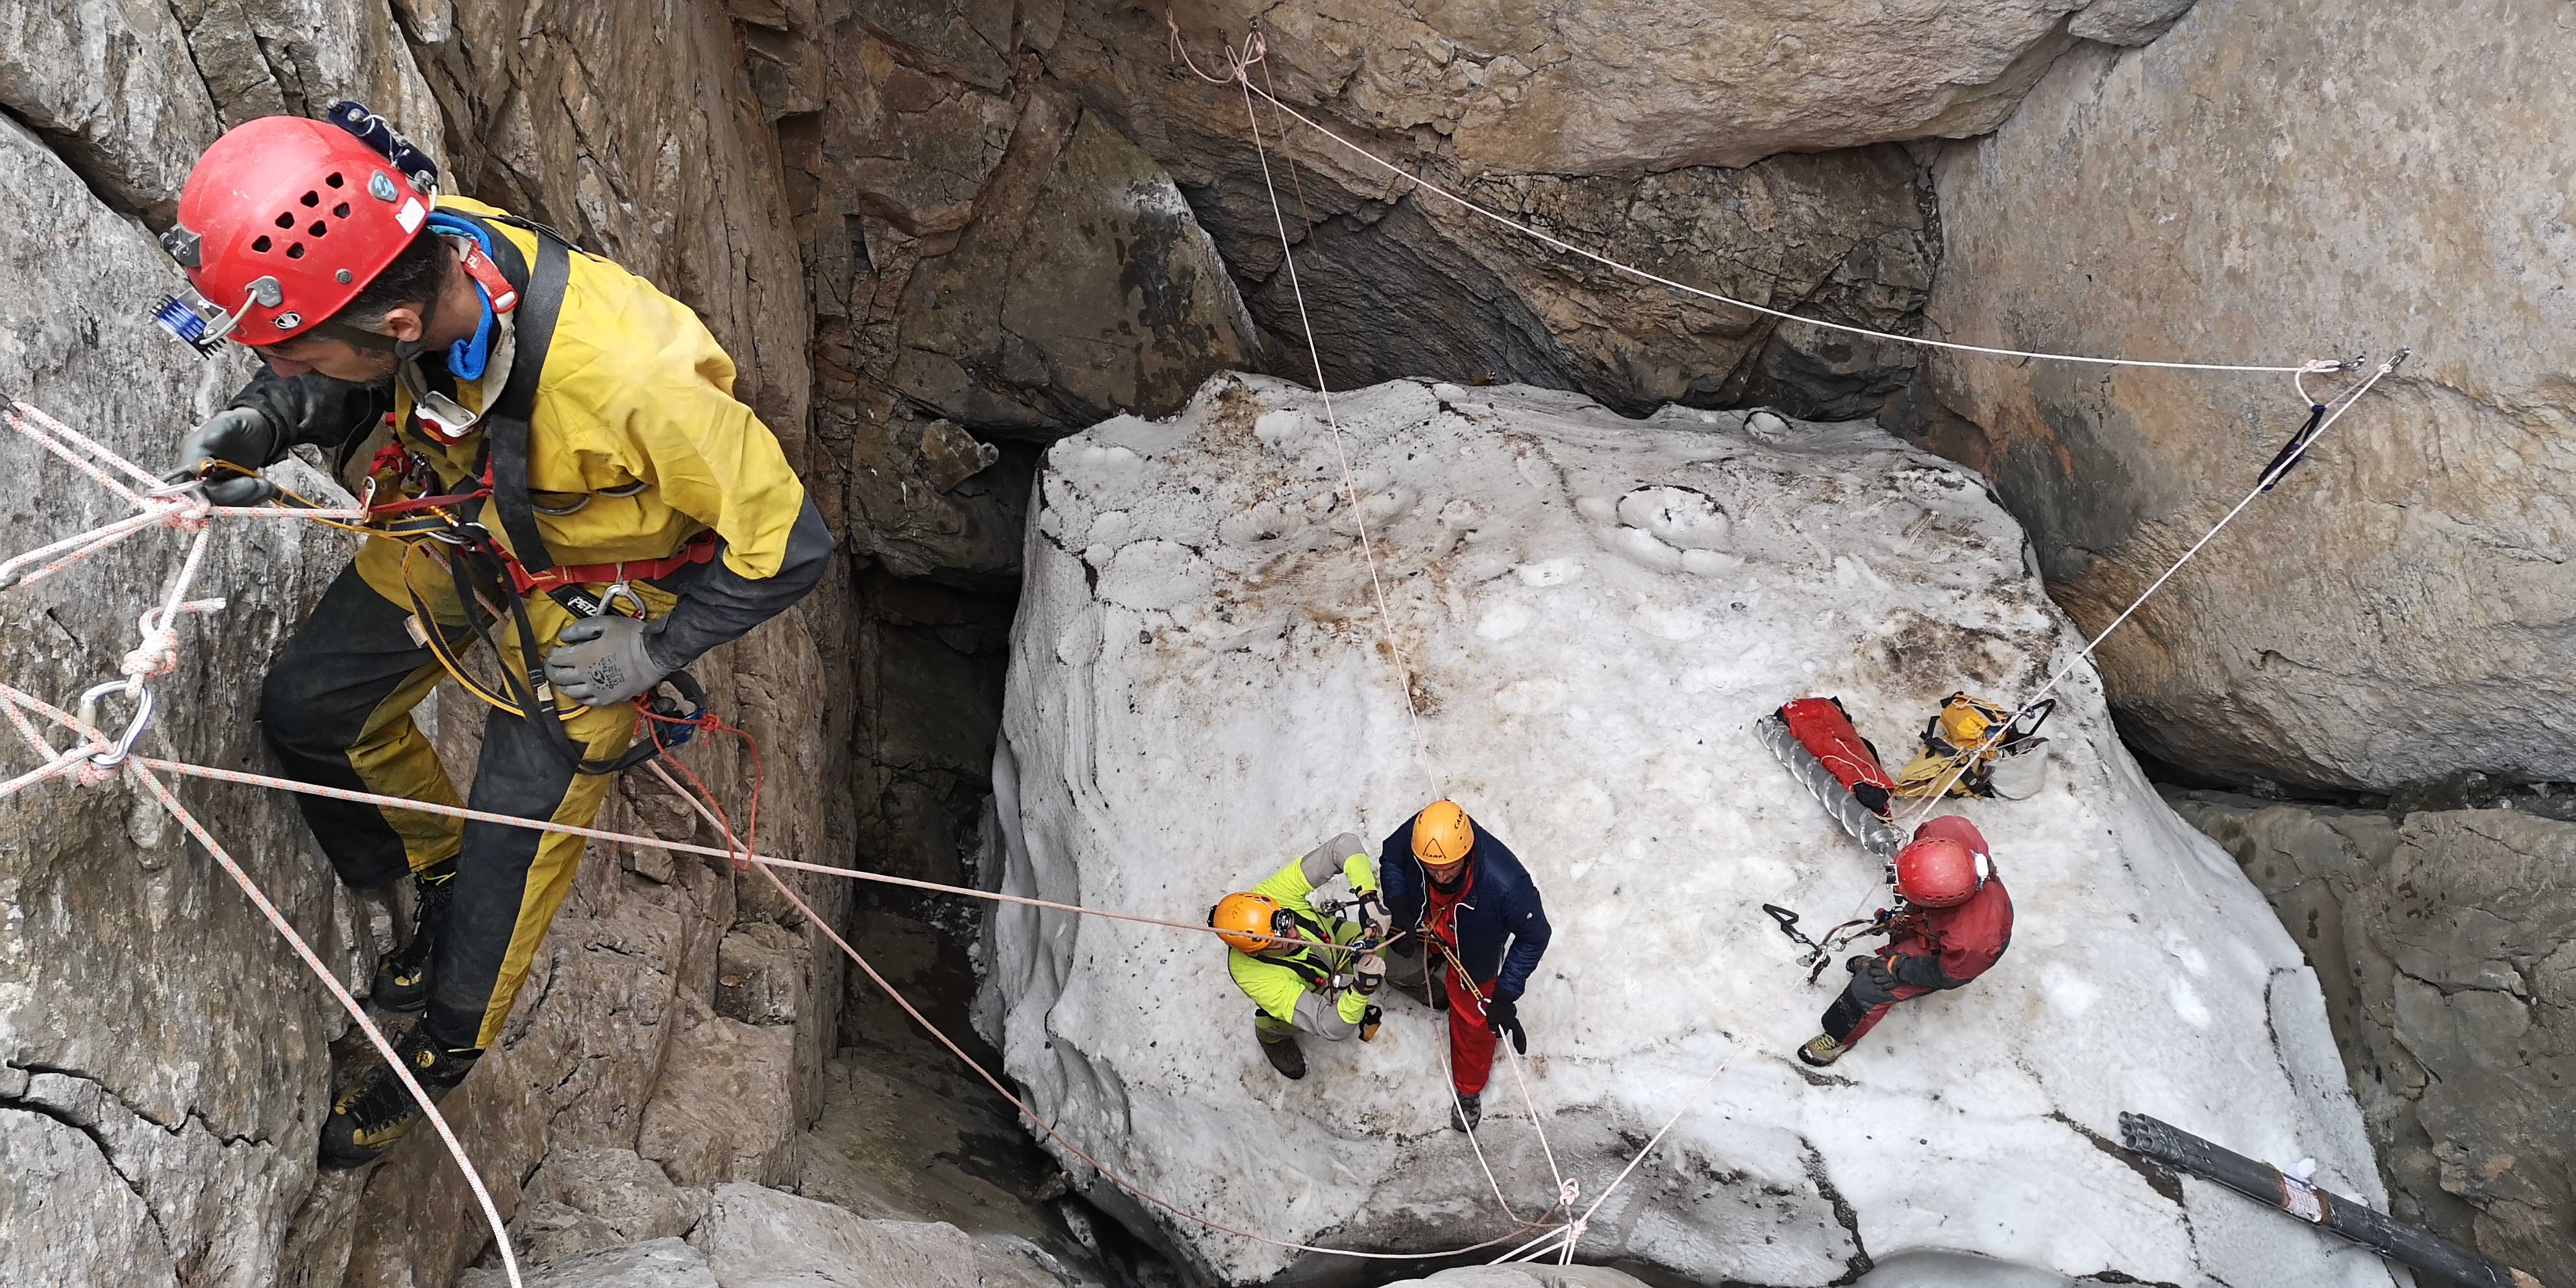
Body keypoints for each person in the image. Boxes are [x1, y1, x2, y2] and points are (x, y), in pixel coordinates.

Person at [158, 113, 830, 1166]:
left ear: (390, 319)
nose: (286, 366)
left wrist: (651, 655)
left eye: (295, 354)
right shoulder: (420, 249)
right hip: (465, 514)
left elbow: (788, 543)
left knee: (511, 851)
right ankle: (432, 867)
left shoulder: (635, 375)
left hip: (595, 598)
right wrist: (267, 421)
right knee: (312, 706)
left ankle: (443, 1048)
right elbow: (340, 360)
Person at [1379, 800, 1551, 1131]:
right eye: (1431, 868)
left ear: (1467, 851)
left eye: (1449, 867)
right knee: (1394, 967)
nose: (1440, 875)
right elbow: (1392, 859)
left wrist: (1505, 993)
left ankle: (1469, 1091)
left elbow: (1535, 936)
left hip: (1476, 947)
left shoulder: (1507, 884)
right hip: (1426, 922)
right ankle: (1433, 985)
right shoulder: (1423, 835)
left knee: (1476, 1023)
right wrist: (1400, 904)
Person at [1798, 815, 2013, 1067]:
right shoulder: (1946, 833)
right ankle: (1893, 960)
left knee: (1871, 986)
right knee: (1901, 936)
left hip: (1954, 957)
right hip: (1936, 922)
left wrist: (1900, 970)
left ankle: (1840, 1035)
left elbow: (1949, 974)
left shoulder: (1974, 941)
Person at [1211, 832, 1388, 1080]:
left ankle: (1404, 977)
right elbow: (1330, 1026)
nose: (1294, 934)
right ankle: (1269, 1034)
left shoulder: (1272, 895)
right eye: (1280, 940)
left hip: (1332, 941)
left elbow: (1343, 845)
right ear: (1257, 950)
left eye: (1286, 920)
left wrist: (1368, 897)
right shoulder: (1254, 975)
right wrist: (1360, 991)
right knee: (1320, 1019)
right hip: (1312, 988)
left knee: (1378, 941)